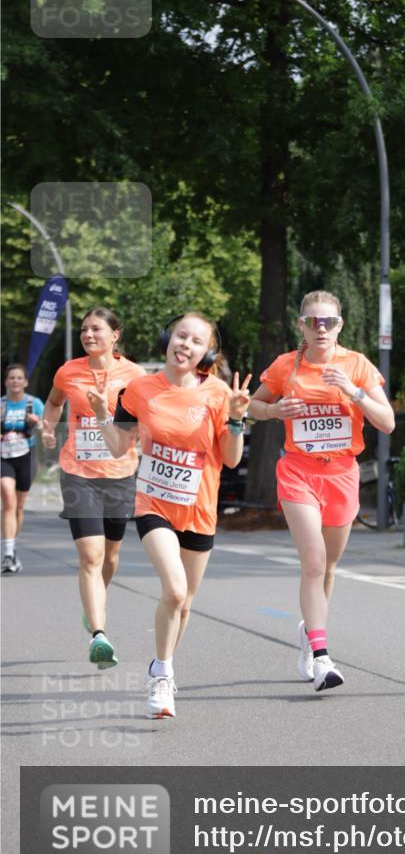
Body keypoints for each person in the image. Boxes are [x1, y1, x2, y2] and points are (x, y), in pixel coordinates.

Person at [89, 313, 251, 720]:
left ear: (206, 352)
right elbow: (116, 448)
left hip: (199, 508)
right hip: (153, 504)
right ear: (168, 338)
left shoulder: (216, 393)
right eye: (181, 335)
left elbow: (230, 460)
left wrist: (236, 419)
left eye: (196, 341)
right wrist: (99, 414)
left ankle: (162, 665)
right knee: (175, 591)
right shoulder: (139, 389)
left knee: (185, 601)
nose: (186, 345)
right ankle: (162, 676)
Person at [248, 290, 395, 692]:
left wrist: (354, 391)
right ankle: (321, 657)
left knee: (328, 567)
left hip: (342, 474)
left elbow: (387, 422)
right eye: (313, 321)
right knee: (313, 561)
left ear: (340, 325)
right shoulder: (285, 366)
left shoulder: (357, 365)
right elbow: (250, 408)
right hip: (298, 471)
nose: (321, 329)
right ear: (301, 325)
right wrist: (274, 411)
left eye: (328, 322)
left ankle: (309, 633)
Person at [41, 307, 145, 668]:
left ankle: (95, 604)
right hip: (78, 471)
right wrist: (47, 427)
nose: (87, 335)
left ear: (115, 335)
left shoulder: (135, 375)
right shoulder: (69, 371)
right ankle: (98, 634)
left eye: (96, 329)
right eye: (84, 329)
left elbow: (146, 419)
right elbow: (54, 403)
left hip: (119, 473)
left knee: (110, 557)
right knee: (91, 556)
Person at [1, 363, 45, 573]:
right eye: (11, 378)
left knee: (18, 506)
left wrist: (37, 422)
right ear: (5, 382)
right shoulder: (1, 405)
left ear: (25, 382)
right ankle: (8, 554)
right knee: (8, 499)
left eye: (19, 378)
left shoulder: (33, 403)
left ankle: (13, 547)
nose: (15, 381)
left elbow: (48, 428)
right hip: (4, 458)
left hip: (27, 457)